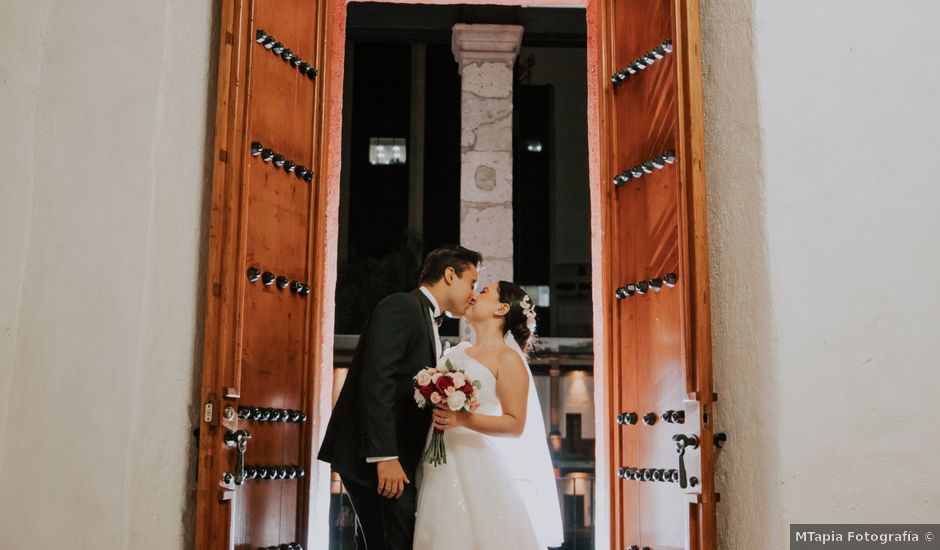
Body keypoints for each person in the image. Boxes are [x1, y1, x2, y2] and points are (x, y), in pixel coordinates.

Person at [318, 245, 481, 550]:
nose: (473, 293)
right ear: (449, 275)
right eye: (471, 282)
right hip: (378, 458)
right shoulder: (401, 307)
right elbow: (375, 380)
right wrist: (385, 456)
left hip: (398, 457)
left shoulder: (426, 317)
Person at [413, 281, 564, 550]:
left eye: (483, 292)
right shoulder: (458, 351)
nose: (474, 295)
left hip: (477, 464)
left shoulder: (507, 359)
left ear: (501, 308)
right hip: (439, 460)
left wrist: (463, 420)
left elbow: (515, 424)